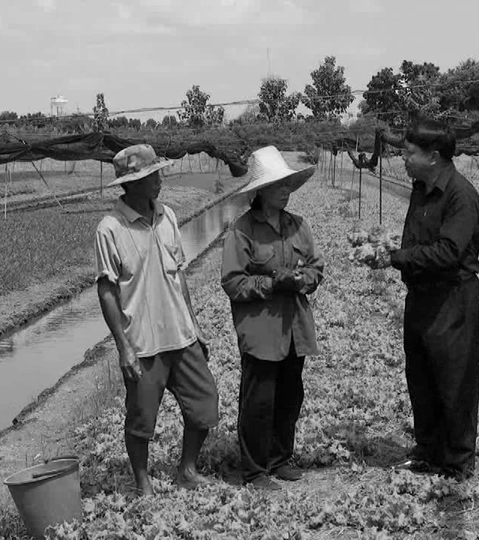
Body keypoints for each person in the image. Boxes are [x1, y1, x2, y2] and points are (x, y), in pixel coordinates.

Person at [95, 144, 219, 495]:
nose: (159, 181)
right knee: (141, 420)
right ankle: (142, 482)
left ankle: (187, 469)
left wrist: (194, 326)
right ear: (131, 183)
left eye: (158, 174)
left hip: (181, 334)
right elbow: (107, 291)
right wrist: (124, 348)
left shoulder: (168, 216)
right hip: (143, 341)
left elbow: (179, 275)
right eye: (152, 176)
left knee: (205, 403)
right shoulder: (110, 228)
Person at [381, 119, 479, 481]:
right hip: (421, 297)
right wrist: (391, 251)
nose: (403, 159)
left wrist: (399, 258)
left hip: (452, 299)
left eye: (409, 153)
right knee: (421, 376)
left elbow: (448, 252)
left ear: (434, 156)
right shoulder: (420, 189)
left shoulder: (461, 196)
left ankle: (456, 461)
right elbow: (415, 241)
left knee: (454, 379)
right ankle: (427, 451)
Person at [221, 146, 324, 491]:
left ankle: (280, 459)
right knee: (259, 401)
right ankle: (254, 470)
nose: (286, 190)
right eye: (279, 185)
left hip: (294, 327)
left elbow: (315, 268)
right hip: (261, 329)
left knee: (290, 396)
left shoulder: (299, 225)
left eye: (288, 184)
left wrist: (300, 280)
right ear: (260, 191)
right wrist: (270, 282)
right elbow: (233, 282)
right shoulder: (243, 230)